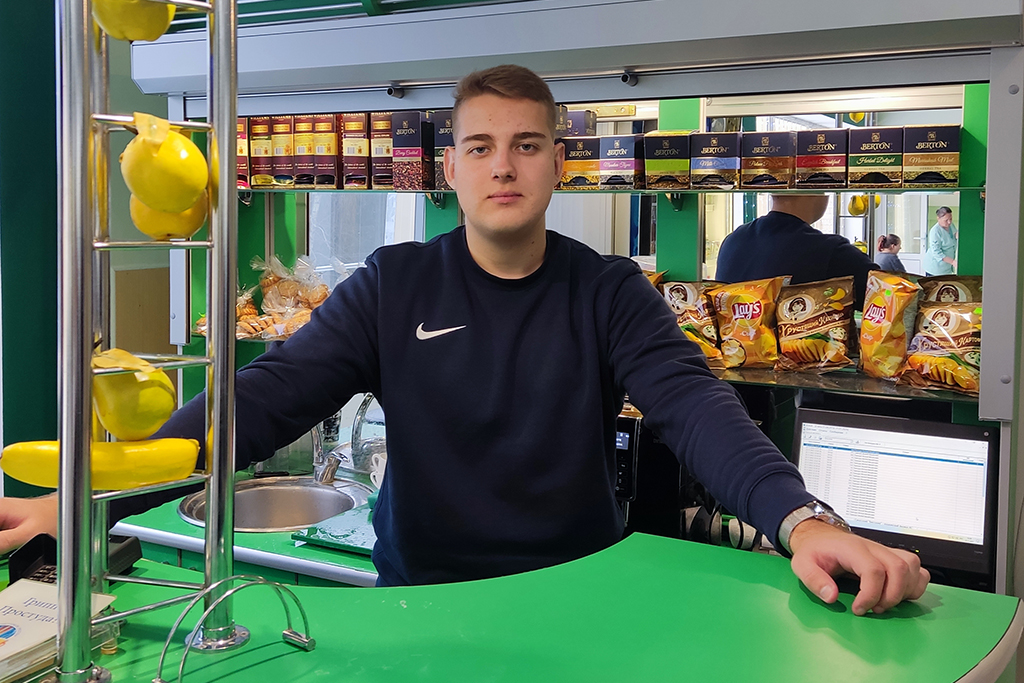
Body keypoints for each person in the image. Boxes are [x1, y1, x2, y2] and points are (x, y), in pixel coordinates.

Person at [0, 65, 927, 615]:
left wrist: (803, 519)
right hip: (419, 599)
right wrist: (96, 499)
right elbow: (263, 398)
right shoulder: (392, 285)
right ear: (450, 168)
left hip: (575, 596)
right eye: (480, 146)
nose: (503, 165)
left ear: (559, 164)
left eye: (526, 144)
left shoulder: (610, 292)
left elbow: (697, 408)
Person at [715, 194, 879, 308]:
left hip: (735, 347)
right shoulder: (830, 251)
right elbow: (887, 297)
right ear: (817, 191)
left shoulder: (732, 240)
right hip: (804, 349)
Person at [923, 206, 957, 276]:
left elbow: (955, 234)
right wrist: (953, 262)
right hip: (935, 268)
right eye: (946, 220)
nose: (949, 222)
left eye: (951, 219)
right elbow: (937, 253)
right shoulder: (935, 232)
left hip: (947, 268)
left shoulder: (950, 225)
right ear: (938, 218)